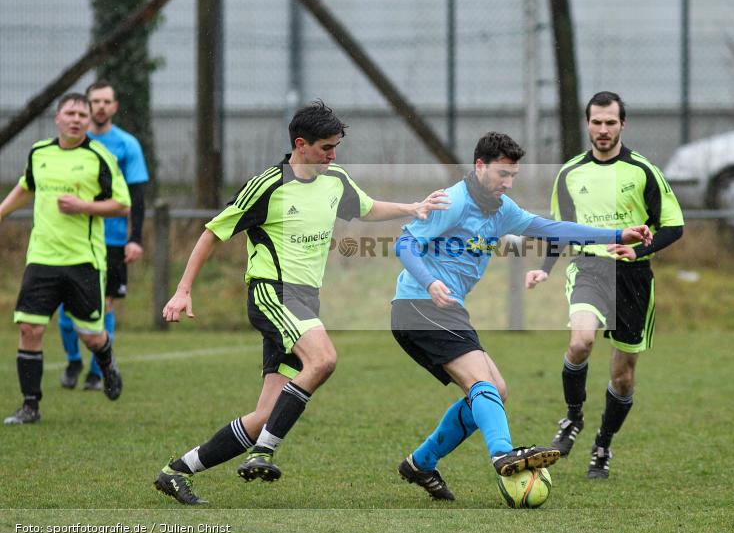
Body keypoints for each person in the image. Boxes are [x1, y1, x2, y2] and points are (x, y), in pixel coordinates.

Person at [153, 100, 449, 505]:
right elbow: (212, 232)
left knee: (264, 416)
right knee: (323, 359)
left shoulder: (336, 180)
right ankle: (264, 451)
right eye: (326, 147)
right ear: (300, 144)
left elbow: (366, 208)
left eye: (336, 147)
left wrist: (412, 208)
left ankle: (176, 471)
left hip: (306, 300)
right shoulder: (268, 185)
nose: (333, 155)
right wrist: (184, 289)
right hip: (273, 292)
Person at [391, 131, 653, 501]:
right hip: (419, 305)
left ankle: (421, 462)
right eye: (502, 174)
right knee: (482, 384)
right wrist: (430, 281)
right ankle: (503, 454)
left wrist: (617, 234)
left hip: (444, 310)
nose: (508, 183)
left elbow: (553, 229)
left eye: (513, 176)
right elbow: (404, 243)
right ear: (480, 166)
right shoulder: (453, 201)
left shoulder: (502, 210)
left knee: (495, 391)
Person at [526, 91, 684, 479]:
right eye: (596, 122)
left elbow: (674, 226)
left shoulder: (642, 171)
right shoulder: (570, 173)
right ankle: (573, 417)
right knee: (580, 342)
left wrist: (639, 250)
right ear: (587, 124)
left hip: (633, 277)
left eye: (610, 122)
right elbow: (559, 229)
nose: (603, 129)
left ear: (622, 124)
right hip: (589, 267)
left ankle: (603, 444)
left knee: (623, 376)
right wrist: (545, 268)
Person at [0, 93, 130, 424]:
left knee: (91, 336)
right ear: (57, 118)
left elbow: (122, 204)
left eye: (82, 115)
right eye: (70, 113)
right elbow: (26, 186)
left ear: (88, 121)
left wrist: (83, 206)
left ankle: (106, 362)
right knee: (29, 327)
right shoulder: (39, 152)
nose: (76, 119)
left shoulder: (99, 156)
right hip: (42, 257)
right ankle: (30, 406)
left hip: (83, 260)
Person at [58, 80, 149, 391]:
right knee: (65, 308)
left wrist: (135, 238)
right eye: (94, 101)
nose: (100, 106)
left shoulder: (127, 144)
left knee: (105, 304)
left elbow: (136, 197)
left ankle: (98, 371)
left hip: (111, 241)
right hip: (71, 238)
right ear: (86, 105)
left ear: (114, 106)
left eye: (105, 101)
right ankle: (73, 361)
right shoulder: (70, 143)